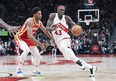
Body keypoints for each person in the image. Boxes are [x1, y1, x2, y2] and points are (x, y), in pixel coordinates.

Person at [46, 5, 97, 77]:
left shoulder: (66, 18)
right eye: (60, 10)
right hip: (58, 41)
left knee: (64, 48)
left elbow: (74, 25)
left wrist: (79, 30)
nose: (62, 11)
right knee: (68, 57)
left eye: (63, 10)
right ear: (57, 10)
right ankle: (91, 67)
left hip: (65, 38)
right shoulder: (52, 16)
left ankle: (79, 62)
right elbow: (47, 28)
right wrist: (52, 29)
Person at [14, 7, 54, 77]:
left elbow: (46, 32)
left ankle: (35, 71)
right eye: (39, 14)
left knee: (37, 55)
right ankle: (18, 70)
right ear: (34, 14)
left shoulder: (40, 23)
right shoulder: (30, 20)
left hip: (28, 39)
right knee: (26, 50)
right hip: (20, 37)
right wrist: (40, 44)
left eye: (41, 13)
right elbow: (29, 36)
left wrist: (53, 39)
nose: (40, 15)